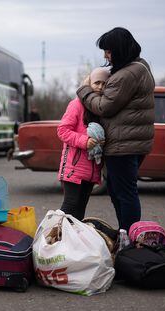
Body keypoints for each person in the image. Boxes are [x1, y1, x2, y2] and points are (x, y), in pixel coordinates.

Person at [76, 27, 155, 232]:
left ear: (119, 50)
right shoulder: (138, 67)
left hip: (124, 143)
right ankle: (125, 234)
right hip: (129, 141)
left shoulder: (127, 74)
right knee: (118, 191)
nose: (105, 55)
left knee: (125, 193)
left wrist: (84, 89)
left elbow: (104, 106)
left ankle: (129, 237)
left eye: (108, 51)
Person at [57, 67, 111, 220]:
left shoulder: (101, 108)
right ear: (89, 83)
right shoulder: (76, 104)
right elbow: (62, 130)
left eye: (104, 84)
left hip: (92, 169)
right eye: (97, 83)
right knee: (69, 207)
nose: (100, 87)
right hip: (73, 168)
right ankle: (54, 238)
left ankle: (74, 241)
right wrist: (85, 141)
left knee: (80, 209)